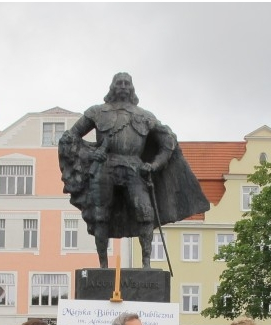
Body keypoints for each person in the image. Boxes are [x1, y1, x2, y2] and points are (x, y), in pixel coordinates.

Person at [58, 72, 209, 268]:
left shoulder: (144, 116)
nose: (122, 86)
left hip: (135, 168)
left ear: (131, 88)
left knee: (146, 213)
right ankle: (103, 266)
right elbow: (70, 137)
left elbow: (168, 143)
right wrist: (89, 155)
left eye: (126, 83)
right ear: (112, 87)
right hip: (105, 167)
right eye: (119, 83)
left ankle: (146, 264)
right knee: (100, 215)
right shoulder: (96, 112)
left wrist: (154, 165)